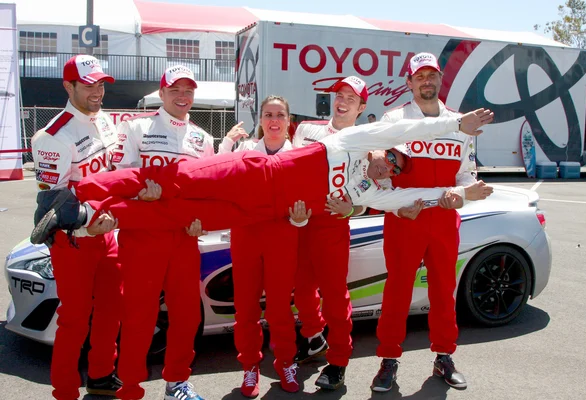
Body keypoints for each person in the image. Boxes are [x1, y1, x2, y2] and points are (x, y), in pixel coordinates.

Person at [31, 104, 494, 251]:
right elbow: (403, 128)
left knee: (172, 215)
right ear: (380, 148)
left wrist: (458, 193)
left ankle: (86, 213)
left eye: (394, 171)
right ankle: (74, 194)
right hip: (251, 174)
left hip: (257, 211)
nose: (386, 167)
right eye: (389, 158)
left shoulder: (373, 190)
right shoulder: (355, 139)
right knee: (175, 177)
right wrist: (455, 125)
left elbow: (416, 194)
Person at [370, 52, 493, 393]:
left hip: (443, 220)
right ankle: (388, 359)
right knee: (397, 290)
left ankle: (444, 356)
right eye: (419, 76)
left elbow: (466, 173)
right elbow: (380, 177)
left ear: (440, 80)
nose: (427, 81)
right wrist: (395, 208)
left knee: (443, 291)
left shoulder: (460, 124)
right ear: (409, 82)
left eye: (432, 75)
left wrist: (464, 195)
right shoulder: (393, 119)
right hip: (405, 219)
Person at [110, 65, 210, 400]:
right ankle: (130, 385)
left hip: (184, 237)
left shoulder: (203, 137)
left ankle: (177, 382)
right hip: (143, 235)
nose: (183, 97)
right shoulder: (136, 127)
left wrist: (201, 220)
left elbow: (205, 192)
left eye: (188, 91)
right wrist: (140, 192)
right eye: (175, 90)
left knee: (187, 315)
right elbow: (119, 179)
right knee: (139, 315)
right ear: (162, 92)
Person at [30, 54, 123, 400]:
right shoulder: (52, 136)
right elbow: (51, 205)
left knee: (113, 310)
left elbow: (113, 177)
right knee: (75, 319)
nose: (97, 91)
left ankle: (101, 375)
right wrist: (89, 222)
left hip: (108, 235)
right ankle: (66, 390)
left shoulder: (108, 122)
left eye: (100, 83)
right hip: (74, 241)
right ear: (68, 86)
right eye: (88, 85)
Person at [220, 95, 309, 397]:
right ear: (260, 119)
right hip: (246, 235)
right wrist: (225, 143)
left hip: (282, 236)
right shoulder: (244, 150)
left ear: (288, 121)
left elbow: (305, 201)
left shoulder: (299, 156)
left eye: (280, 115)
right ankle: (249, 366)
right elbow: (218, 174)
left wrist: (299, 219)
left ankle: (285, 361)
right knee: (245, 307)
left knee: (280, 308)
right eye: (268, 114)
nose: (274, 120)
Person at [291, 76, 369, 390]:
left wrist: (353, 208)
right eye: (340, 94)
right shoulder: (307, 130)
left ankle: (338, 362)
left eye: (352, 98)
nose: (343, 101)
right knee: (300, 290)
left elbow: (369, 186)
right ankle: (313, 337)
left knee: (335, 297)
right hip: (298, 222)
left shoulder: (366, 141)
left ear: (362, 107)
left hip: (333, 224)